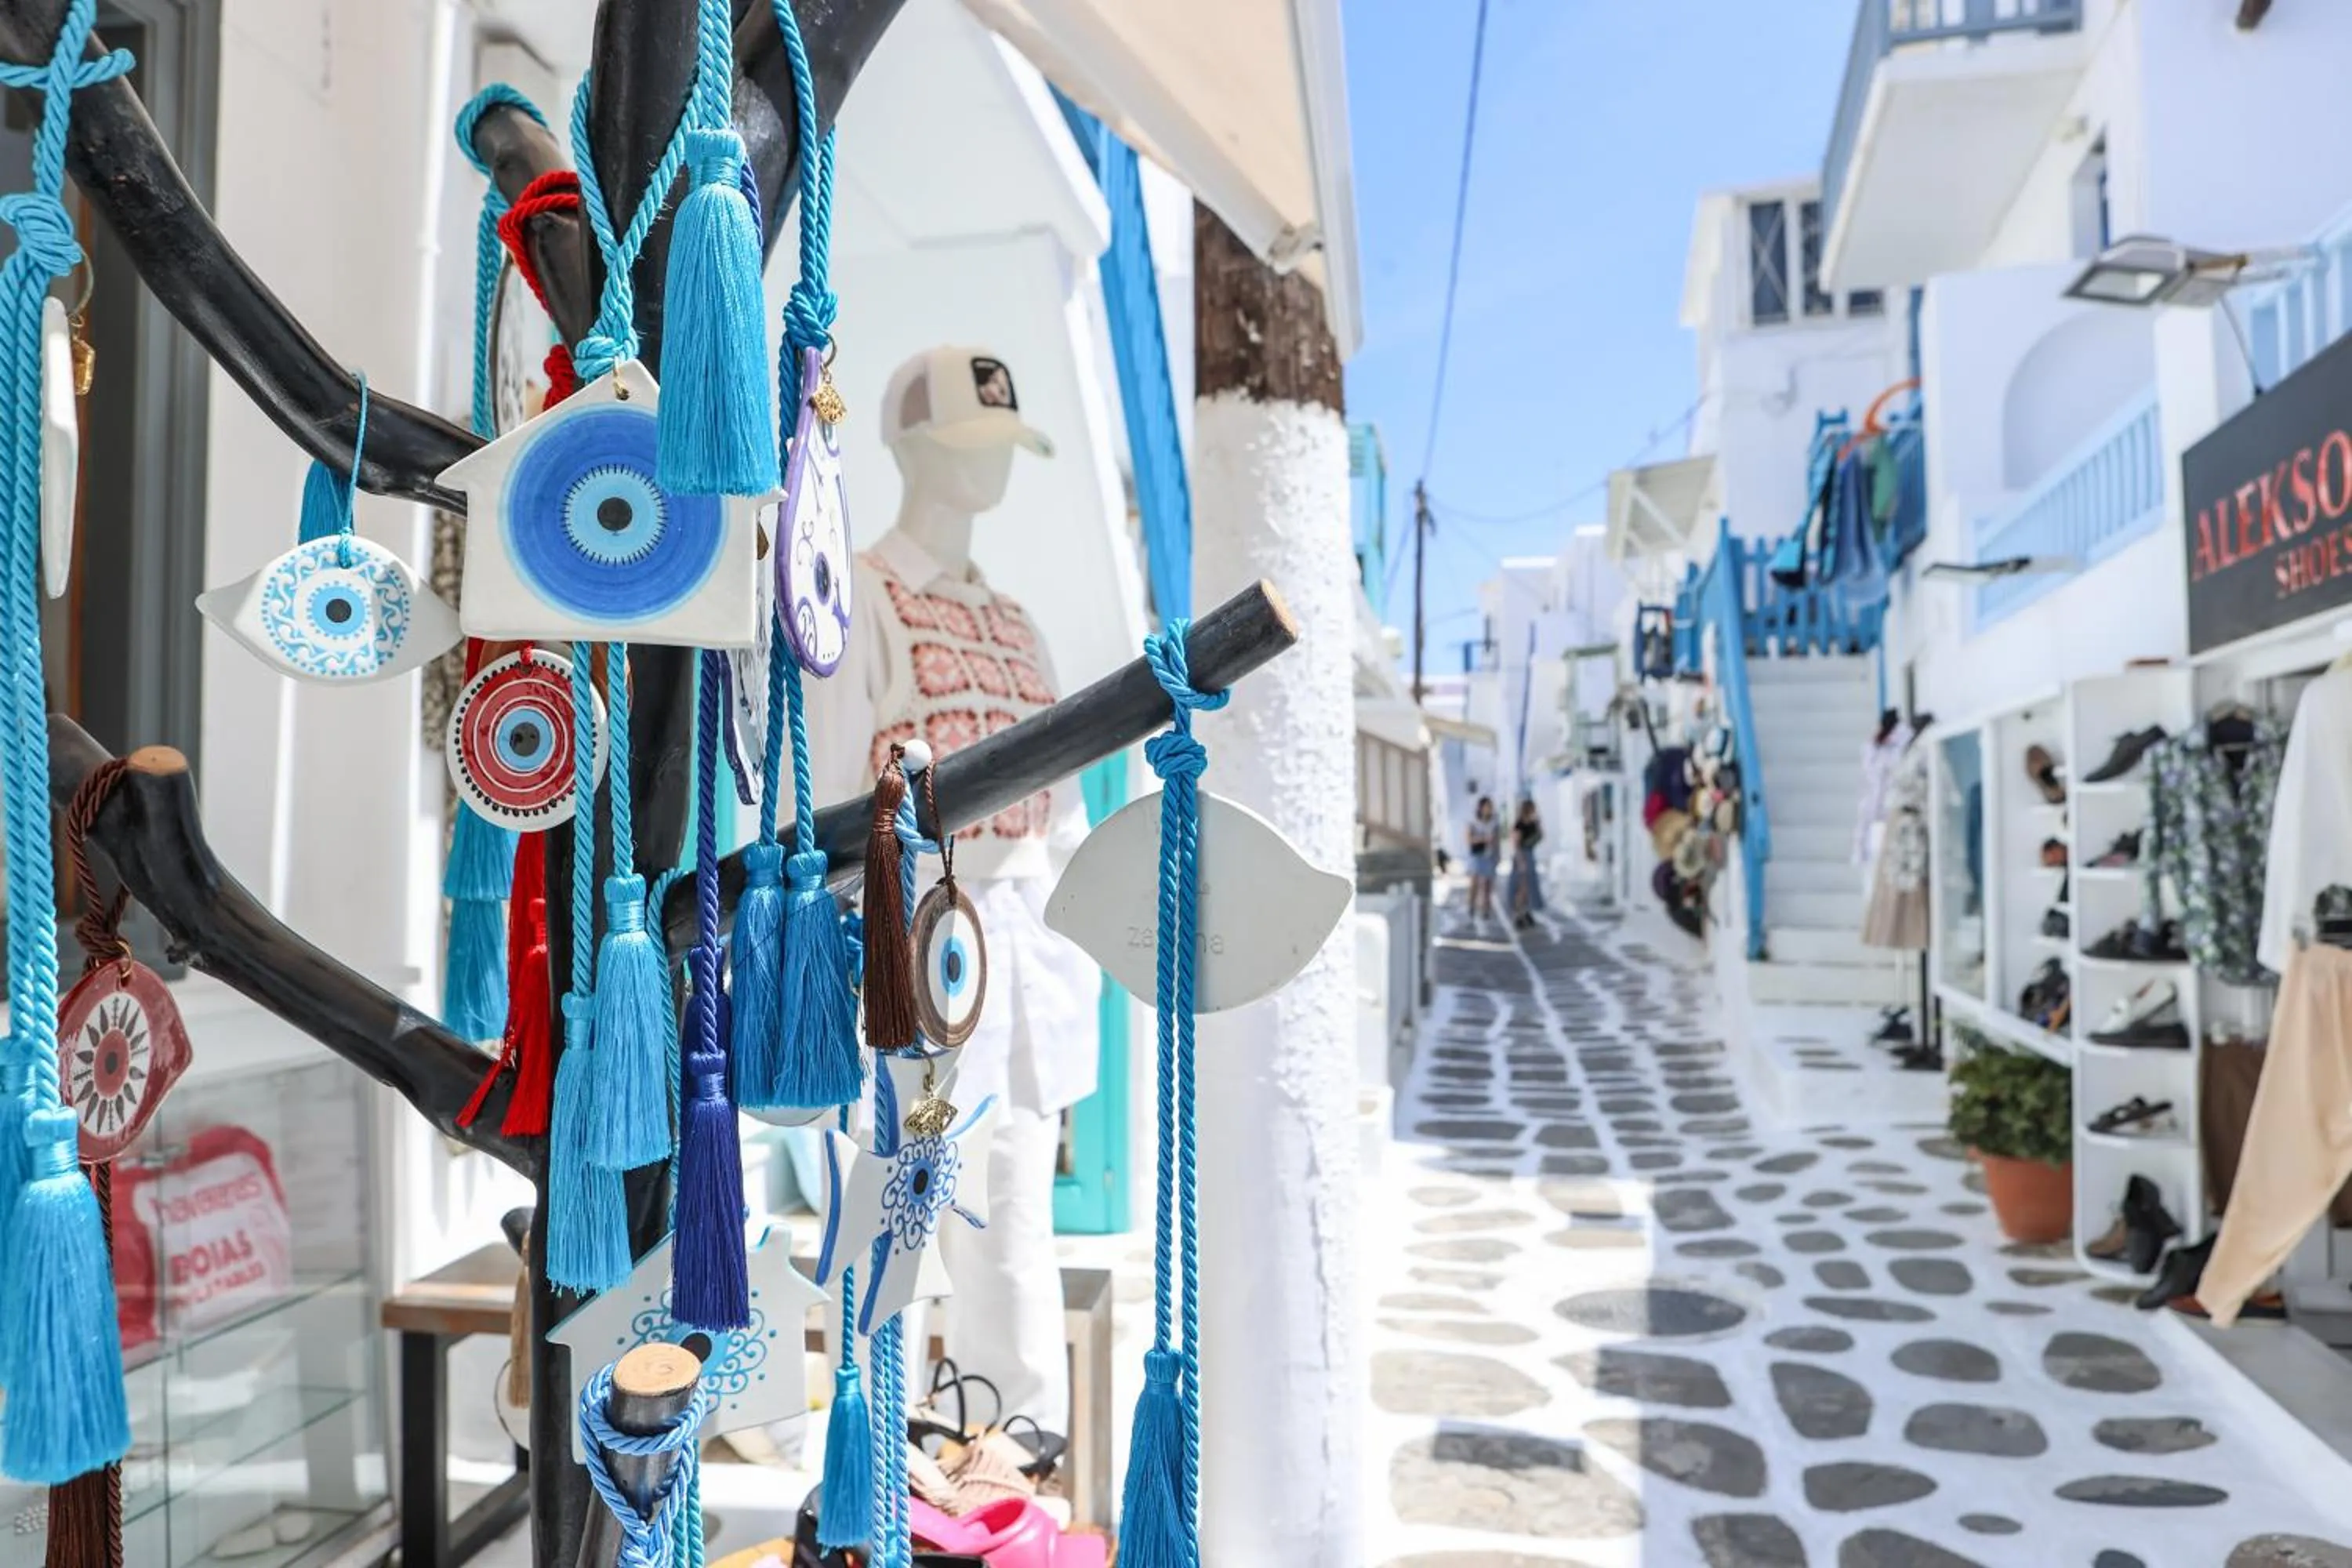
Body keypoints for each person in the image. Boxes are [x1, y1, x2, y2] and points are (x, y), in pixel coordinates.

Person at [1508, 797, 1545, 928]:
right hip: (1522, 856)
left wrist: (1538, 824)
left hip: (1530, 854)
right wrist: (1520, 860)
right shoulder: (1519, 824)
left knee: (1529, 887)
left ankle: (1527, 912)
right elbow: (1516, 843)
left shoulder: (1533, 823)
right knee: (1522, 888)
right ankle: (1519, 914)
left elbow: (1540, 837)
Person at [1465, 797, 1500, 924]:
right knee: (1475, 882)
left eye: (1490, 807)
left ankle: (1486, 909)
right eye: (1486, 807)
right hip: (1477, 855)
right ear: (1481, 808)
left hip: (1489, 855)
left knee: (1487, 885)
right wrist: (1483, 839)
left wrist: (1497, 856)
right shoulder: (1473, 822)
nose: (1489, 809)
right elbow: (1468, 839)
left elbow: (1496, 840)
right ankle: (1471, 906)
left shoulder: (1494, 822)